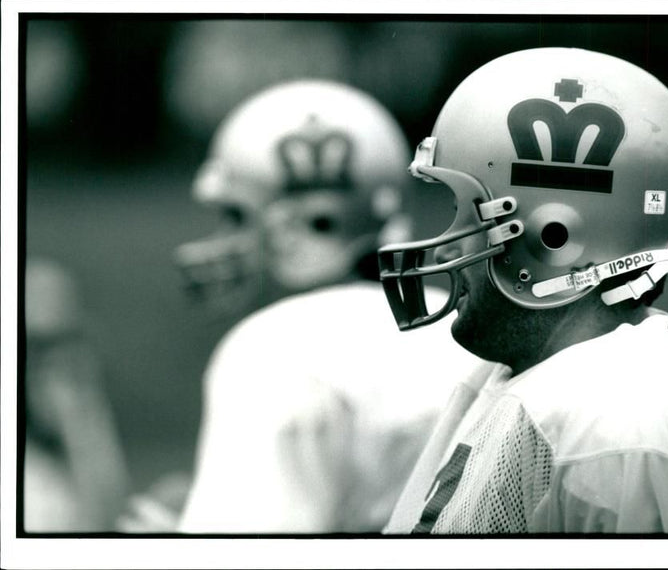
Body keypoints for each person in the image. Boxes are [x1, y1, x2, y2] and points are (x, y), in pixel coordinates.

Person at [378, 47, 668, 534]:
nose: (440, 255)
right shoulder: (522, 372)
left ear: (553, 237)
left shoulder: (626, 418)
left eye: (466, 214)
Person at [167, 80, 485, 533]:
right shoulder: (462, 326)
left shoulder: (274, 348)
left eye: (236, 216)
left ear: (301, 227)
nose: (223, 241)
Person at [24, 257, 129, 532]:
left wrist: (79, 427)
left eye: (66, 343)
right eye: (37, 348)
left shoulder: (81, 412)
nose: (53, 366)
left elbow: (108, 519)